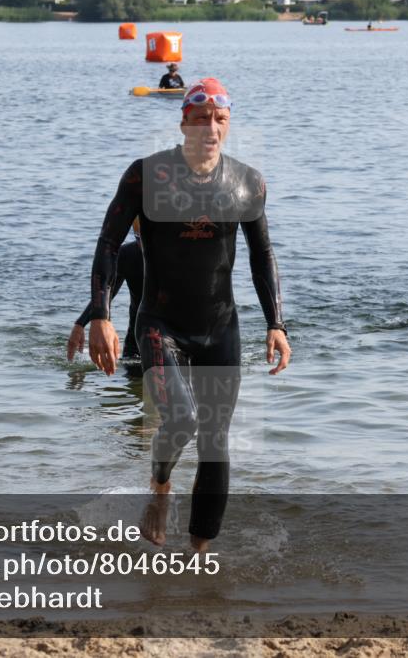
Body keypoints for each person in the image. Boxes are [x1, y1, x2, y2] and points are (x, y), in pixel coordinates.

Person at [87, 77, 290, 552]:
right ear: (183, 122)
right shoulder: (146, 175)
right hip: (161, 324)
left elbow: (263, 256)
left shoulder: (247, 182)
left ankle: (197, 557)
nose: (211, 128)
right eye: (201, 119)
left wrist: (276, 325)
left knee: (216, 444)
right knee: (179, 420)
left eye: (220, 119)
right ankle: (160, 489)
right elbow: (109, 244)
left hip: (220, 327)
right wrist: (101, 315)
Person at [68, 219, 144, 366]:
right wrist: (80, 324)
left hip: (177, 341)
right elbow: (106, 293)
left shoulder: (183, 258)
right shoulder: (128, 255)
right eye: (139, 238)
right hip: (136, 347)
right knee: (135, 387)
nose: (145, 246)